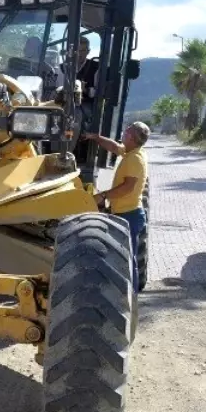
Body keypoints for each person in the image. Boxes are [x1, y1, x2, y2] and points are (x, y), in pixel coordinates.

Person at [83, 121, 150, 292]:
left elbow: (128, 187)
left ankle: (131, 295)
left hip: (129, 215)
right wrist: (96, 138)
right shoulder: (130, 152)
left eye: (126, 133)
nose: (123, 135)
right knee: (124, 256)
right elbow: (114, 147)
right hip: (124, 213)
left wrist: (103, 195)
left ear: (132, 138)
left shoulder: (135, 159)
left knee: (128, 258)